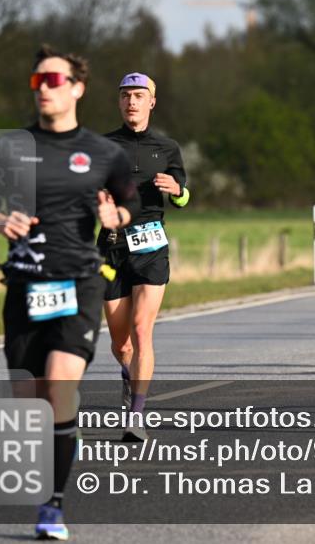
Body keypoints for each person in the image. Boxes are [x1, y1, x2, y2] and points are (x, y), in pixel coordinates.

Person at [0, 45, 141, 540]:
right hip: (25, 285)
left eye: (54, 81)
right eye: (37, 82)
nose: (44, 90)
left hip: (79, 283)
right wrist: (3, 220)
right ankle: (52, 460)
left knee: (59, 387)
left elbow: (129, 202)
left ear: (76, 88)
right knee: (31, 407)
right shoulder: (10, 147)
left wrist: (117, 217)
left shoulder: (104, 152)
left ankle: (53, 505)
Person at [97, 73, 189, 442]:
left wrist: (177, 189)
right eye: (125, 96)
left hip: (151, 245)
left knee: (141, 329)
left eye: (138, 95)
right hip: (110, 246)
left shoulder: (167, 149)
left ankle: (137, 415)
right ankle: (128, 371)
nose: (131, 102)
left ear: (152, 101)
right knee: (121, 344)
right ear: (119, 102)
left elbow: (184, 198)